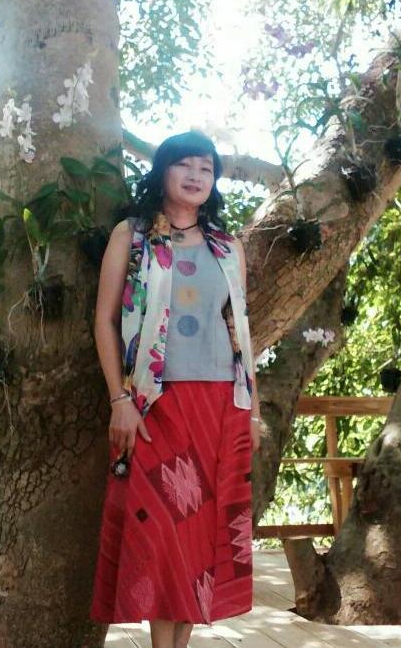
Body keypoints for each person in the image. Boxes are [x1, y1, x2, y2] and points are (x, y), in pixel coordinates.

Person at [89, 130, 261, 648]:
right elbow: (105, 321)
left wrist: (252, 410)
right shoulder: (132, 235)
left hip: (222, 404)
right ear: (163, 171)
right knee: (162, 533)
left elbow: (239, 330)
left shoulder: (227, 247)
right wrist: (119, 399)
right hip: (154, 404)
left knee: (201, 540)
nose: (195, 176)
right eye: (185, 164)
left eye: (206, 168)